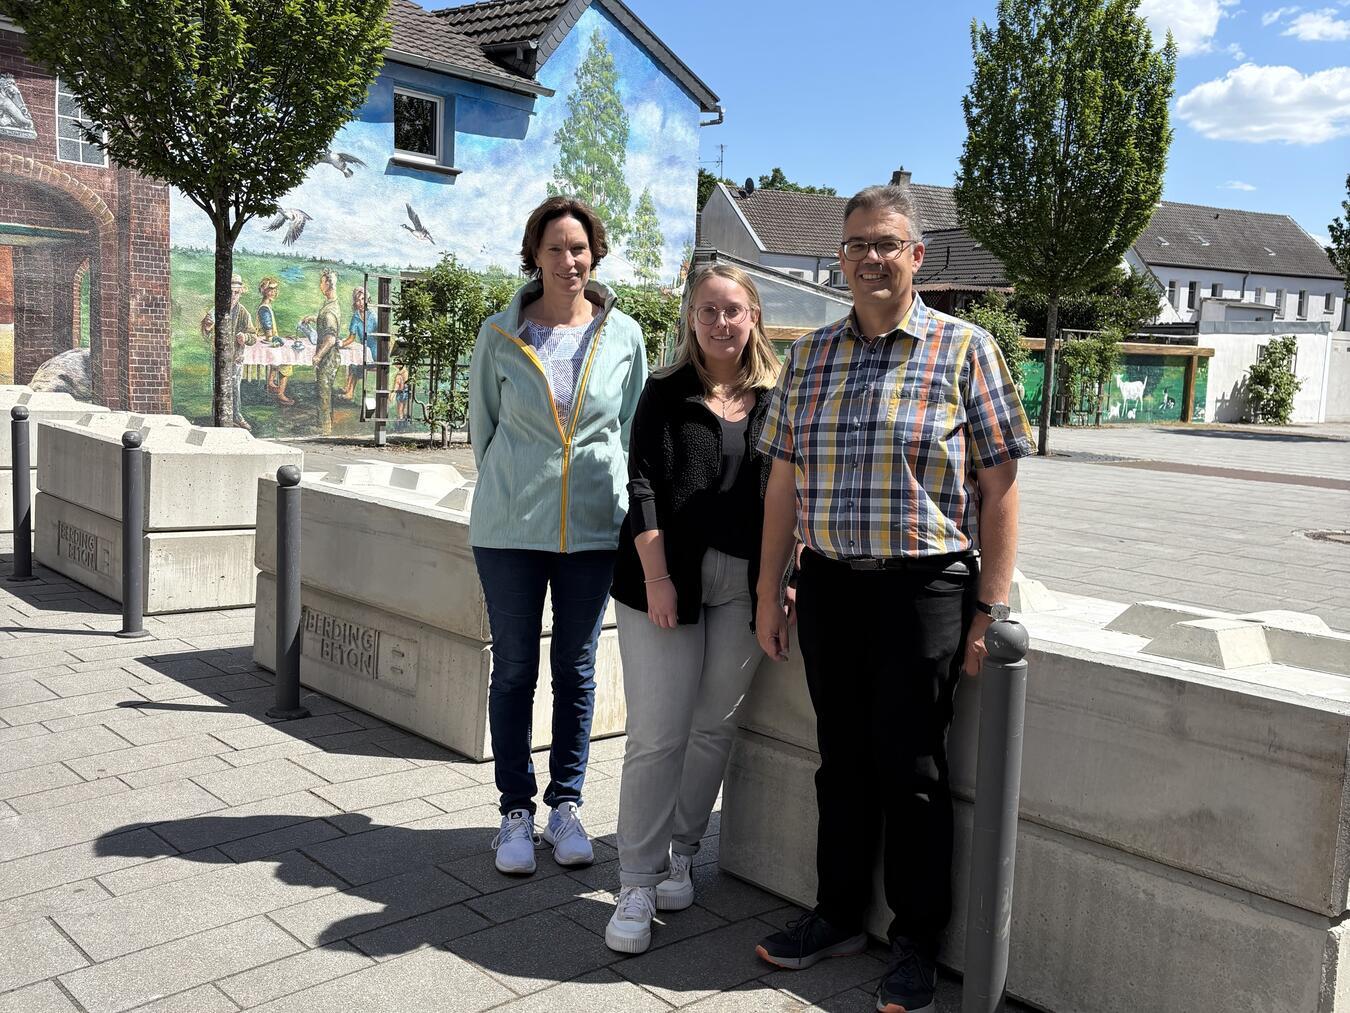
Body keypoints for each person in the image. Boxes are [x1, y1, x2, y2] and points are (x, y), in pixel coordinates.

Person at [752, 185, 1034, 1013]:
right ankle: (837, 912)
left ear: (917, 256)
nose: (870, 258)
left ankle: (915, 940)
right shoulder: (810, 357)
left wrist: (989, 605)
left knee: (912, 769)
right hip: (832, 585)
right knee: (840, 759)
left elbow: (1002, 485)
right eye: (856, 246)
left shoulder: (965, 349)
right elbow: (780, 484)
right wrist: (770, 591)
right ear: (839, 259)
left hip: (927, 588)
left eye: (886, 244)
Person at [468, 195, 648, 877]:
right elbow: (483, 430)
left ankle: (564, 804)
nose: (568, 261)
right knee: (515, 667)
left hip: (596, 529)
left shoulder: (624, 334)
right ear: (534, 256)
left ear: (593, 253)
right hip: (510, 529)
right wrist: (510, 492)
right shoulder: (500, 333)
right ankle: (515, 809)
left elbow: (629, 431)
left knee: (576, 671)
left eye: (579, 248)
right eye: (554, 249)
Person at [604, 265, 780, 954]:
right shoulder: (665, 391)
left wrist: (779, 580)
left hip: (744, 580)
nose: (720, 322)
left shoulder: (777, 396)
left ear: (754, 315)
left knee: (714, 726)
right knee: (657, 733)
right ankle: (636, 879)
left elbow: (789, 494)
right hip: (663, 577)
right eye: (708, 310)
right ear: (691, 318)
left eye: (733, 309)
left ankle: (682, 847)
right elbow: (641, 483)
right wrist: (657, 578)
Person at [311, 269, 341, 435]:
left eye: (322, 282)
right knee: (324, 391)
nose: (320, 285)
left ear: (328, 284)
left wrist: (317, 356)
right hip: (330, 357)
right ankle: (323, 425)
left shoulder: (329, 311)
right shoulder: (332, 304)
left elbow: (330, 339)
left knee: (324, 393)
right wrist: (314, 317)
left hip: (328, 358)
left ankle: (325, 429)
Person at [258, 277, 294, 405]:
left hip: (271, 341)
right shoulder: (264, 309)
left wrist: (283, 337)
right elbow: (269, 335)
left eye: (275, 289)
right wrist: (281, 340)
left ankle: (271, 383)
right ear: (264, 291)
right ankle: (280, 393)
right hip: (268, 342)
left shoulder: (267, 307)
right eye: (270, 289)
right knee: (286, 362)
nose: (274, 292)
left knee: (278, 360)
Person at [226, 274, 256, 430]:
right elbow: (207, 330)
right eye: (230, 292)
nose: (233, 296)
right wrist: (207, 326)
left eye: (236, 293)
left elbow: (253, 336)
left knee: (235, 387)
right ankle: (221, 416)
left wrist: (245, 336)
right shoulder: (217, 309)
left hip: (236, 356)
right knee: (219, 386)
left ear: (240, 293)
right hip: (220, 358)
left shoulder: (243, 312)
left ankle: (237, 416)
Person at [344, 286, 378, 402]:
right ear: (355, 302)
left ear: (367, 300)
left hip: (375, 352)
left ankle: (349, 392)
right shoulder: (355, 317)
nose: (361, 303)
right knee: (352, 360)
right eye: (358, 300)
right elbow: (351, 338)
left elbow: (382, 335)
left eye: (363, 299)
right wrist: (340, 344)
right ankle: (347, 389)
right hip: (363, 350)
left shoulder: (373, 316)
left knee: (355, 364)